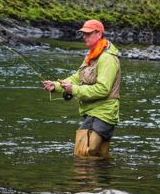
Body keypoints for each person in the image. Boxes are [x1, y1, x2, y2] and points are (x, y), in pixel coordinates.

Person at [43, 19, 121, 157]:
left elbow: (103, 89)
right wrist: (55, 86)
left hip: (104, 112)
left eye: (88, 34)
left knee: (84, 152)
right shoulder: (91, 56)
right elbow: (76, 78)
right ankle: (102, 176)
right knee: (99, 155)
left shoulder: (107, 58)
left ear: (98, 34)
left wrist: (73, 90)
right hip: (91, 112)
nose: (84, 37)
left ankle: (84, 178)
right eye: (83, 34)